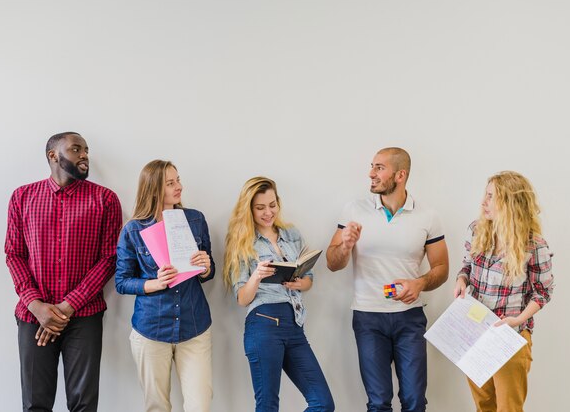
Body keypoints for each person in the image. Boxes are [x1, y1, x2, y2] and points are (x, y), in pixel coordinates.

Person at [5, 132, 122, 412]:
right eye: (76, 149)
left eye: (86, 150)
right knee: (36, 404)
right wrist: (37, 306)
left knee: (83, 404)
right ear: (53, 155)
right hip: (34, 316)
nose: (84, 155)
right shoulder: (22, 197)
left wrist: (67, 307)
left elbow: (109, 259)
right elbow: (14, 254)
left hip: (84, 316)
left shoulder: (105, 200)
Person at [326, 147, 449, 412]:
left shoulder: (428, 216)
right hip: (368, 317)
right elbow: (332, 263)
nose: (371, 173)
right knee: (379, 403)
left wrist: (420, 283)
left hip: (410, 317)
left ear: (400, 175)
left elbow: (441, 268)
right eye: (372, 166)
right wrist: (345, 246)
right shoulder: (353, 210)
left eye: (379, 168)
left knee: (415, 402)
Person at [223, 176, 334, 412]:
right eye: (260, 208)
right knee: (267, 406)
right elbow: (242, 298)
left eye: (272, 205)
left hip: (295, 326)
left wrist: (300, 283)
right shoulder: (242, 242)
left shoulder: (291, 234)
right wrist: (257, 275)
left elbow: (309, 279)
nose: (268, 212)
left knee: (323, 404)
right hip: (263, 324)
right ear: (249, 209)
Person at [115, 159, 214, 412]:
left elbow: (207, 271)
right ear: (154, 188)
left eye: (178, 179)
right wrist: (155, 283)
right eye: (170, 183)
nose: (178, 186)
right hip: (151, 329)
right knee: (157, 406)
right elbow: (122, 281)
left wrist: (206, 266)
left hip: (194, 326)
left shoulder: (195, 220)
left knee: (200, 406)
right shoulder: (133, 230)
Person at [453, 171, 554, 412]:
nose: (483, 202)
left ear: (509, 202)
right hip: (475, 331)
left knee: (508, 408)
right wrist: (461, 279)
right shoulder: (477, 230)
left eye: (490, 197)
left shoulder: (534, 245)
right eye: (485, 195)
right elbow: (467, 266)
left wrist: (519, 319)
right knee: (483, 405)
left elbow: (543, 292)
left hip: (510, 336)